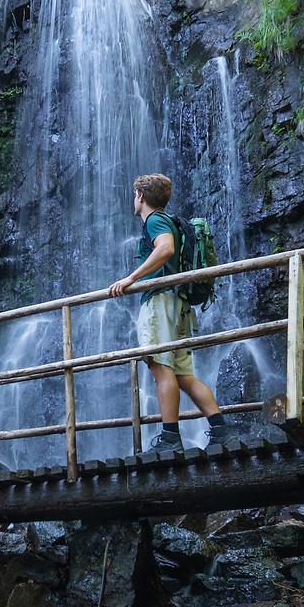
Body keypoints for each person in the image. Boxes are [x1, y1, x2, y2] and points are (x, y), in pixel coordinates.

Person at [108, 173, 226, 451]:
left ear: (141, 196)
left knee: (161, 369)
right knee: (183, 375)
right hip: (179, 302)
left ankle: (170, 438)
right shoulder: (171, 220)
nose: (133, 200)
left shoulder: (155, 220)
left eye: (134, 195)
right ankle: (222, 430)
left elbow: (166, 248)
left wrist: (131, 278)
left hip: (161, 301)